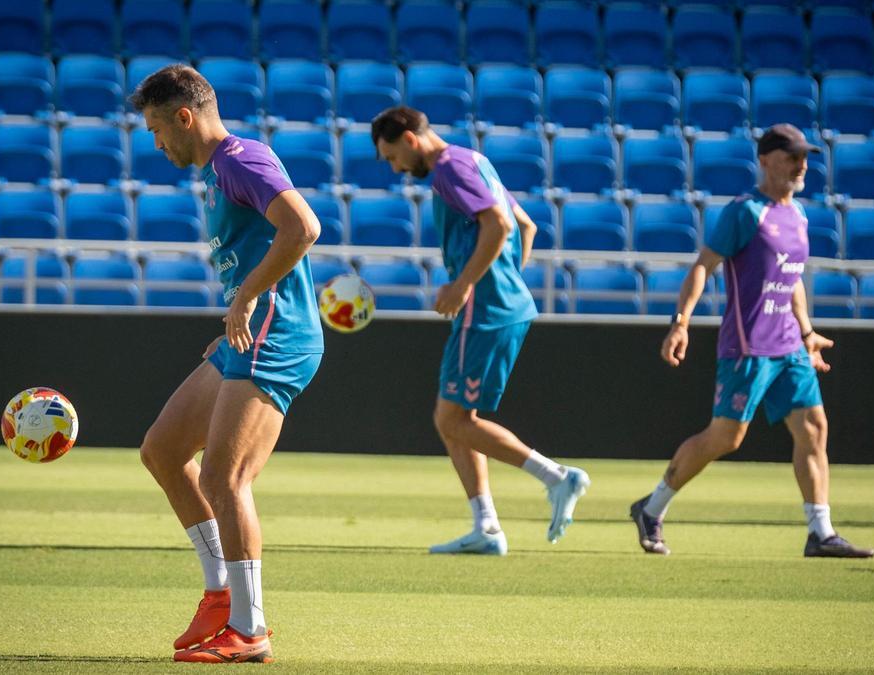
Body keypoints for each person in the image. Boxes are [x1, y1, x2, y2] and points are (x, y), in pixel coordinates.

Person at [132, 65, 324, 663]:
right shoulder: (219, 170)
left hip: (277, 336)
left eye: (157, 129)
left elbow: (303, 228)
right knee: (163, 451)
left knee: (224, 479)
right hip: (248, 337)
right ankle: (221, 596)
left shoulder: (241, 159)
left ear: (184, 117)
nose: (156, 143)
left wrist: (244, 299)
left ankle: (250, 628)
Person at [629, 123, 874, 559]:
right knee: (726, 437)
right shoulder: (746, 211)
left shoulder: (798, 216)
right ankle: (651, 508)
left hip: (789, 347)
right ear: (764, 160)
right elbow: (703, 265)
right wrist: (681, 322)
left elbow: (791, 280)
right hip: (748, 347)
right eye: (792, 156)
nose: (802, 165)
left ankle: (820, 532)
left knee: (814, 428)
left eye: (805, 157)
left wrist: (806, 331)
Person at [370, 105, 589, 555]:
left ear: (410, 139)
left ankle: (557, 477)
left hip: (485, 311)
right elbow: (526, 226)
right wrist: (504, 280)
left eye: (392, 157)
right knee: (454, 419)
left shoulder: (449, 169)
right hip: (499, 305)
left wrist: (466, 285)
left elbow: (501, 224)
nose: (395, 168)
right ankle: (486, 527)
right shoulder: (474, 159)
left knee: (451, 420)